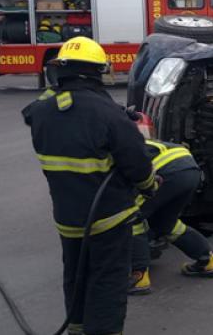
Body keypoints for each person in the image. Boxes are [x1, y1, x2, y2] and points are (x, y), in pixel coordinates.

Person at [22, 36, 158, 335]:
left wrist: (55, 86)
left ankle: (77, 327)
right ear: (97, 72)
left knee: (76, 275)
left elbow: (33, 111)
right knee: (107, 280)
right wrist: (149, 186)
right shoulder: (108, 114)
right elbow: (137, 164)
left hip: (67, 218)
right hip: (107, 218)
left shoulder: (41, 112)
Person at [128, 115, 213, 295]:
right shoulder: (138, 142)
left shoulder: (111, 150)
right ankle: (206, 261)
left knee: (132, 217)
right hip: (188, 166)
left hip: (167, 172)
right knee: (165, 224)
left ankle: (138, 277)